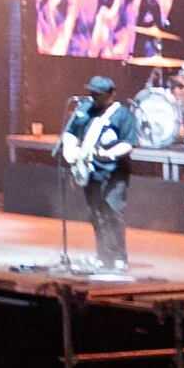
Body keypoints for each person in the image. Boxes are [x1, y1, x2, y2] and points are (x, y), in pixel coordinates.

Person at [65, 76, 139, 275]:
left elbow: (129, 142)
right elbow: (71, 132)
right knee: (96, 214)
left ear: (110, 94)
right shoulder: (85, 109)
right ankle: (103, 256)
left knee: (112, 212)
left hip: (114, 173)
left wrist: (108, 154)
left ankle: (119, 258)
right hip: (91, 172)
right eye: (92, 93)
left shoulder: (122, 114)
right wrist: (71, 151)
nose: (93, 97)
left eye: (98, 94)